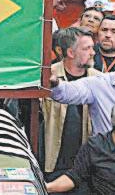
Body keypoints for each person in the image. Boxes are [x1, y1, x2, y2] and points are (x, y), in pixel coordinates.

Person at [41, 28, 99, 186]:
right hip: (52, 164)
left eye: (92, 47)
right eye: (87, 48)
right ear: (70, 53)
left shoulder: (99, 79)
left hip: (87, 168)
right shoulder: (47, 76)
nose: (93, 53)